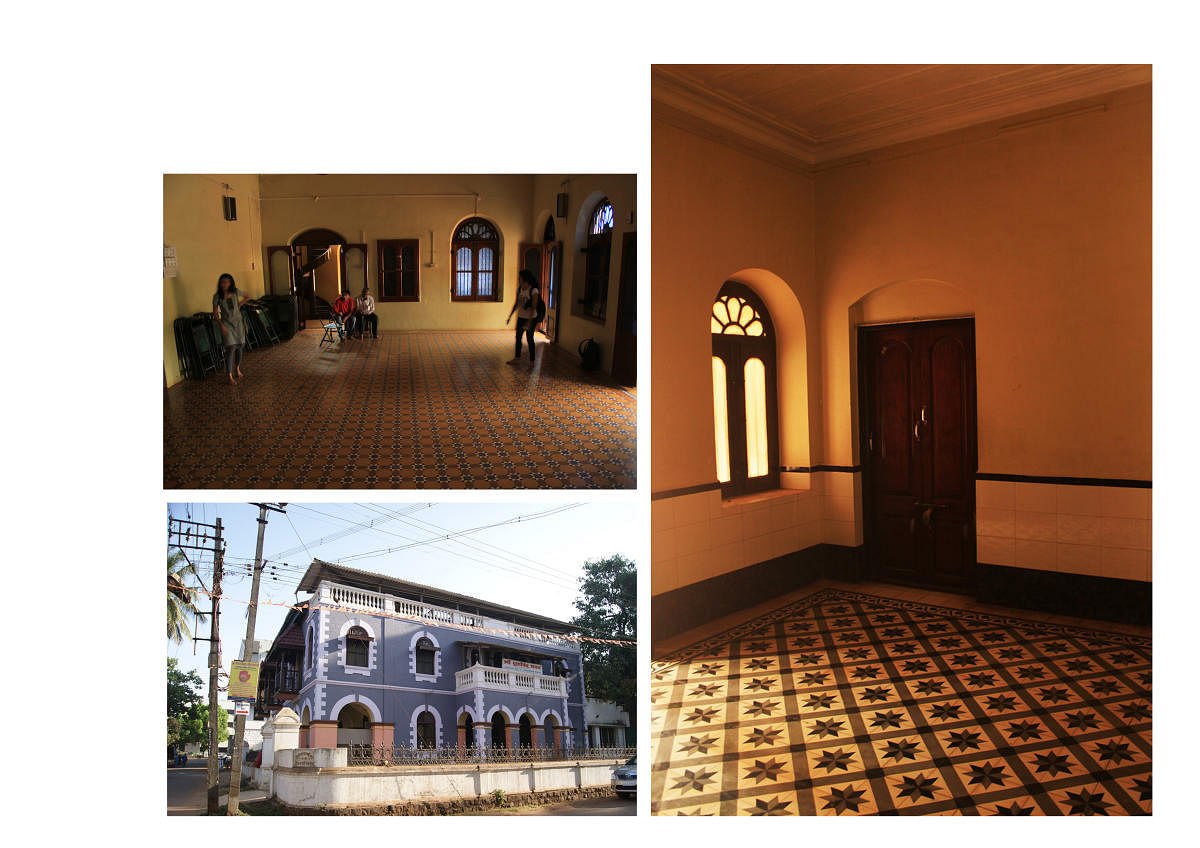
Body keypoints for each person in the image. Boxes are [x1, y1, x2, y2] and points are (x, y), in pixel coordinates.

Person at [212, 273, 250, 384]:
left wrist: (239, 305)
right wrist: (221, 325)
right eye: (222, 282)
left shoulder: (235, 291)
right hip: (226, 324)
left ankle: (237, 368)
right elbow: (215, 314)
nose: (224, 284)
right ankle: (229, 376)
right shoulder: (217, 296)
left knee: (240, 346)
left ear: (231, 283)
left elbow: (247, 296)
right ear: (220, 283)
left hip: (238, 323)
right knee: (231, 348)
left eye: (227, 282)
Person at [506, 269, 541, 364]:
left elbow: (534, 307)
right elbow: (516, 303)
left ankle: (532, 360)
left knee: (529, 338)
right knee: (518, 337)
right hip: (521, 317)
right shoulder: (519, 289)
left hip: (531, 318)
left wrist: (529, 321)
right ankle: (517, 358)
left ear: (525, 279)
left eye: (520, 278)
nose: (518, 280)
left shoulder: (533, 290)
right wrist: (510, 316)